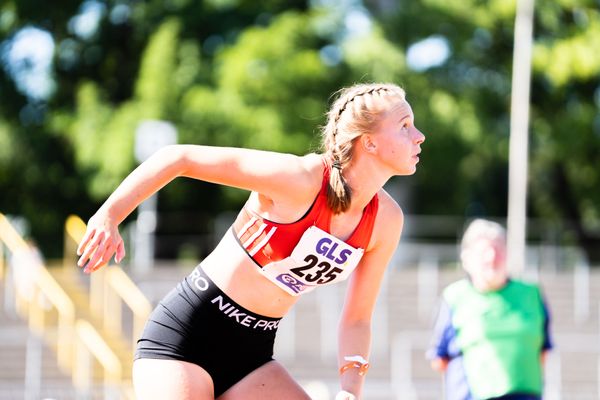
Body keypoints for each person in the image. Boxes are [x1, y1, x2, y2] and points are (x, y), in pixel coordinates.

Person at [76, 82, 425, 400]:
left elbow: (358, 319)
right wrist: (109, 216)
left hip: (252, 356)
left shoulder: (386, 221)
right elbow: (178, 158)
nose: (419, 136)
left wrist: (350, 390)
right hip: (186, 337)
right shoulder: (299, 179)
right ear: (370, 142)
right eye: (405, 125)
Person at [427, 219, 553, 400]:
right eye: (484, 251)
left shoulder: (531, 294)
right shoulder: (454, 297)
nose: (492, 257)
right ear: (467, 258)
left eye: (498, 249)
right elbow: (440, 359)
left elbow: (543, 351)